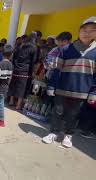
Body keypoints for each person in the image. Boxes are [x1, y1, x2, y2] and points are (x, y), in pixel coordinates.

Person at [42, 17, 96, 148]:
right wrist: (51, 86)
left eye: (92, 30)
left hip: (82, 92)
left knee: (73, 114)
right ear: (79, 31)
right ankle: (53, 132)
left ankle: (68, 135)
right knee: (57, 111)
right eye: (84, 30)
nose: (87, 33)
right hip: (62, 88)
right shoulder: (66, 49)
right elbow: (56, 69)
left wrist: (93, 92)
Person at [8, 33, 38, 110]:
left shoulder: (20, 46)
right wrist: (32, 71)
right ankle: (18, 105)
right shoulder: (34, 47)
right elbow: (33, 61)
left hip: (16, 68)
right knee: (22, 87)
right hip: (25, 70)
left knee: (13, 84)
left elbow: (14, 57)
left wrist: (15, 65)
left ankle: (11, 101)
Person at [0, 45, 13, 127]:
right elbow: (9, 77)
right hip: (6, 86)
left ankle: (1, 120)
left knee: (0, 103)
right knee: (1, 102)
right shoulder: (11, 65)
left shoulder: (0, 64)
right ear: (11, 55)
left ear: (2, 54)